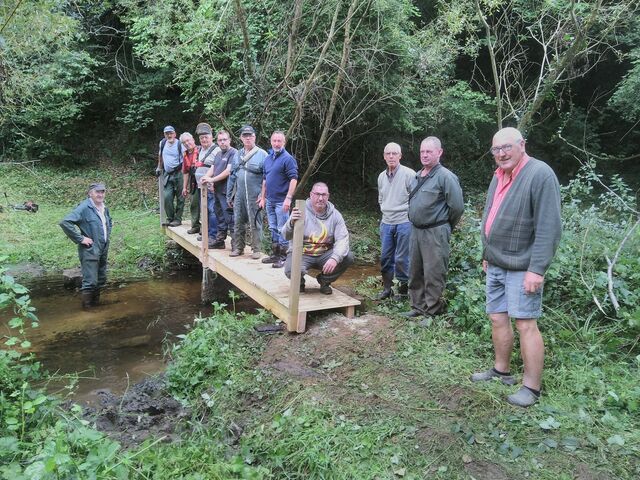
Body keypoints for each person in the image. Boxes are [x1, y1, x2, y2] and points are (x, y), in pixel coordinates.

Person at [470, 127, 562, 408]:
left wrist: (537, 269)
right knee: (497, 318)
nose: (501, 154)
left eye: (506, 147)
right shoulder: (498, 176)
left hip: (523, 266)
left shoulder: (540, 174)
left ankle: (531, 388)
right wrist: (487, 252)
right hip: (496, 261)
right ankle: (502, 370)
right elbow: (491, 215)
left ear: (522, 144)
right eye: (496, 150)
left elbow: (550, 226)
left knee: (525, 324)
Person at [402, 136, 464, 318]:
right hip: (415, 230)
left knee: (433, 272)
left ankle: (432, 312)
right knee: (415, 271)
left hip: (435, 231)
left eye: (429, 151)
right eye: (422, 151)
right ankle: (417, 306)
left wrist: (444, 227)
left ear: (439, 152)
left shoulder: (446, 177)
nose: (425, 155)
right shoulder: (416, 176)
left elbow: (457, 207)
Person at [282, 182, 354, 295]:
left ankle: (324, 281)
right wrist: (291, 223)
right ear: (311, 195)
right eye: (317, 194)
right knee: (290, 270)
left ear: (328, 196)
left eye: (324, 195)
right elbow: (285, 235)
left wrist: (334, 258)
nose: (320, 198)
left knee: (348, 257)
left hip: (324, 255)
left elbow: (342, 240)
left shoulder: (335, 215)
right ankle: (299, 283)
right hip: (302, 253)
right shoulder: (300, 210)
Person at [59, 183, 112, 308]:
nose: (100, 194)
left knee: (100, 280)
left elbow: (108, 223)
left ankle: (96, 306)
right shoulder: (84, 208)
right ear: (90, 193)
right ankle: (87, 312)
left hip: (103, 248)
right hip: (90, 250)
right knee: (90, 282)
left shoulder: (104, 208)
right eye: (97, 192)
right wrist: (80, 238)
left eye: (102, 192)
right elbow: (65, 222)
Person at [376, 142, 415, 299]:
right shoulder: (381, 176)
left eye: (394, 153)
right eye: (388, 154)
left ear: (400, 155)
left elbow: (415, 199)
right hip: (386, 222)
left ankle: (403, 291)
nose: (391, 156)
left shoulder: (409, 174)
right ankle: (387, 290)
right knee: (385, 257)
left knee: (402, 258)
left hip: (404, 222)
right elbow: (381, 198)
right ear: (384, 156)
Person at [226, 125, 267, 259]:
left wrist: (263, 196)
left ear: (254, 137)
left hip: (255, 195)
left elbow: (268, 178)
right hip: (239, 195)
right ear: (241, 138)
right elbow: (232, 175)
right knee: (238, 222)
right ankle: (238, 248)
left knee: (256, 222)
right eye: (245, 136)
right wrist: (229, 195)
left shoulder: (263, 154)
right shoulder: (237, 154)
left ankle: (256, 249)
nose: (247, 138)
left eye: (250, 135)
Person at [261, 131, 298, 268]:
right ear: (271, 141)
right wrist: (262, 197)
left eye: (279, 141)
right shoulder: (268, 158)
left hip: (282, 201)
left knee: (283, 229)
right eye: (274, 141)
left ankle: (283, 257)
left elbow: (294, 179)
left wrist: (288, 198)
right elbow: (265, 179)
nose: (276, 143)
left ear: (284, 142)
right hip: (270, 200)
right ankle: (275, 255)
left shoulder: (288, 159)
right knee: (272, 228)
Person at [201, 129, 237, 248]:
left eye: (224, 140)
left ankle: (235, 244)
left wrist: (212, 180)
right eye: (220, 140)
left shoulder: (233, 153)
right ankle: (220, 241)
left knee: (230, 218)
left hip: (228, 192)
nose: (222, 142)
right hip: (217, 190)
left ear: (229, 140)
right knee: (219, 215)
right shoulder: (218, 154)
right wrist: (206, 177)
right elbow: (213, 168)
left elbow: (228, 171)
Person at [193, 123, 220, 245]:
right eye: (201, 138)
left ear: (211, 137)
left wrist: (213, 182)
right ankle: (206, 233)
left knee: (212, 210)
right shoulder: (201, 150)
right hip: (202, 187)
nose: (204, 139)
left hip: (212, 187)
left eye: (206, 137)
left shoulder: (217, 150)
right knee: (205, 211)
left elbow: (218, 168)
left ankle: (213, 236)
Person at [155, 125, 184, 226]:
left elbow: (185, 159)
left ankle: (178, 219)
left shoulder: (180, 144)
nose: (169, 135)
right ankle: (170, 218)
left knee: (180, 197)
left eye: (171, 133)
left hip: (179, 173)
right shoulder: (162, 143)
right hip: (167, 174)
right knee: (167, 196)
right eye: (167, 133)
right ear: (164, 135)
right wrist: (159, 167)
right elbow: (160, 155)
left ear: (175, 134)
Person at [180, 132, 201, 234]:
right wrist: (184, 187)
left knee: (206, 205)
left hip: (204, 180)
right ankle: (195, 225)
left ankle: (206, 228)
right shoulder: (185, 155)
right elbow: (185, 172)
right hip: (193, 182)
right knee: (194, 204)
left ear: (193, 139)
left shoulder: (202, 150)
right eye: (184, 142)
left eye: (188, 140)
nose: (187, 143)